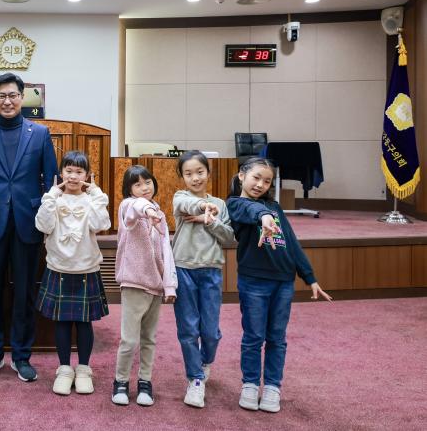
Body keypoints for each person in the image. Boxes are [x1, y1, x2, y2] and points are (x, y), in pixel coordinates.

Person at [0, 72, 58, 382]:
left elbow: (52, 179)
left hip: (27, 222)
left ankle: (21, 355)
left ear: (22, 98)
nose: (7, 101)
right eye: (1, 96)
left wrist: (47, 215)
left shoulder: (39, 133)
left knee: (25, 292)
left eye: (12, 95)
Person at [226, 157, 332, 413]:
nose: (260, 184)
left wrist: (309, 276)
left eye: (267, 181)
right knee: (253, 337)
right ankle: (250, 385)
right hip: (253, 281)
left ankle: (273, 387)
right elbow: (250, 210)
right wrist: (264, 216)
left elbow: (292, 243)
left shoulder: (274, 207)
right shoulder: (235, 204)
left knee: (277, 338)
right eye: (256, 178)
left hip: (284, 281)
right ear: (241, 176)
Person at [34, 151, 110, 396]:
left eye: (79, 171)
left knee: (84, 323)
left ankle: (84, 369)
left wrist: (97, 196)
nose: (74, 176)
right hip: (59, 267)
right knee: (62, 322)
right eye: (69, 171)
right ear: (61, 173)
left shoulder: (91, 200)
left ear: (87, 175)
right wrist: (50, 197)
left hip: (86, 267)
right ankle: (65, 369)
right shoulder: (54, 199)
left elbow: (100, 225)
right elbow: (43, 225)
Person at [171, 150, 234, 408]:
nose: (195, 178)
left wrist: (207, 221)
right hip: (183, 269)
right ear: (182, 177)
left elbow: (228, 237)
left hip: (211, 271)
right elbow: (185, 206)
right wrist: (202, 208)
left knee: (210, 332)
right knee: (188, 329)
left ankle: (205, 361)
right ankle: (195, 379)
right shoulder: (180, 197)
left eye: (200, 172)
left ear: (209, 173)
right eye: (188, 174)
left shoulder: (220, 204)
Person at [111, 165, 176, 407]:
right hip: (134, 282)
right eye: (137, 184)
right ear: (129, 190)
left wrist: (169, 286)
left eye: (147, 182)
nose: (144, 187)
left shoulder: (160, 214)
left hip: (155, 286)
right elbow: (136, 208)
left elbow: (166, 251)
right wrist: (147, 209)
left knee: (149, 339)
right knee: (129, 340)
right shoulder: (128, 206)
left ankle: (145, 381)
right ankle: (120, 381)